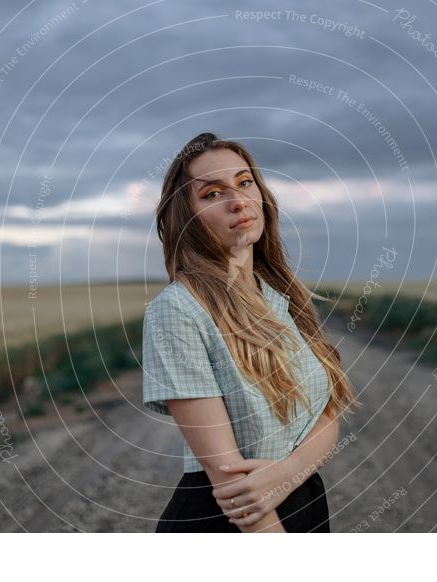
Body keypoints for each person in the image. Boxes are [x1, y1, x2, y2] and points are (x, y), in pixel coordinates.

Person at [142, 132, 359, 533]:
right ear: (186, 218)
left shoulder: (280, 297)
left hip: (303, 503)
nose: (237, 201)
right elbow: (230, 480)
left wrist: (290, 472)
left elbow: (326, 412)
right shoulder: (178, 311)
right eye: (211, 194)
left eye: (245, 183)